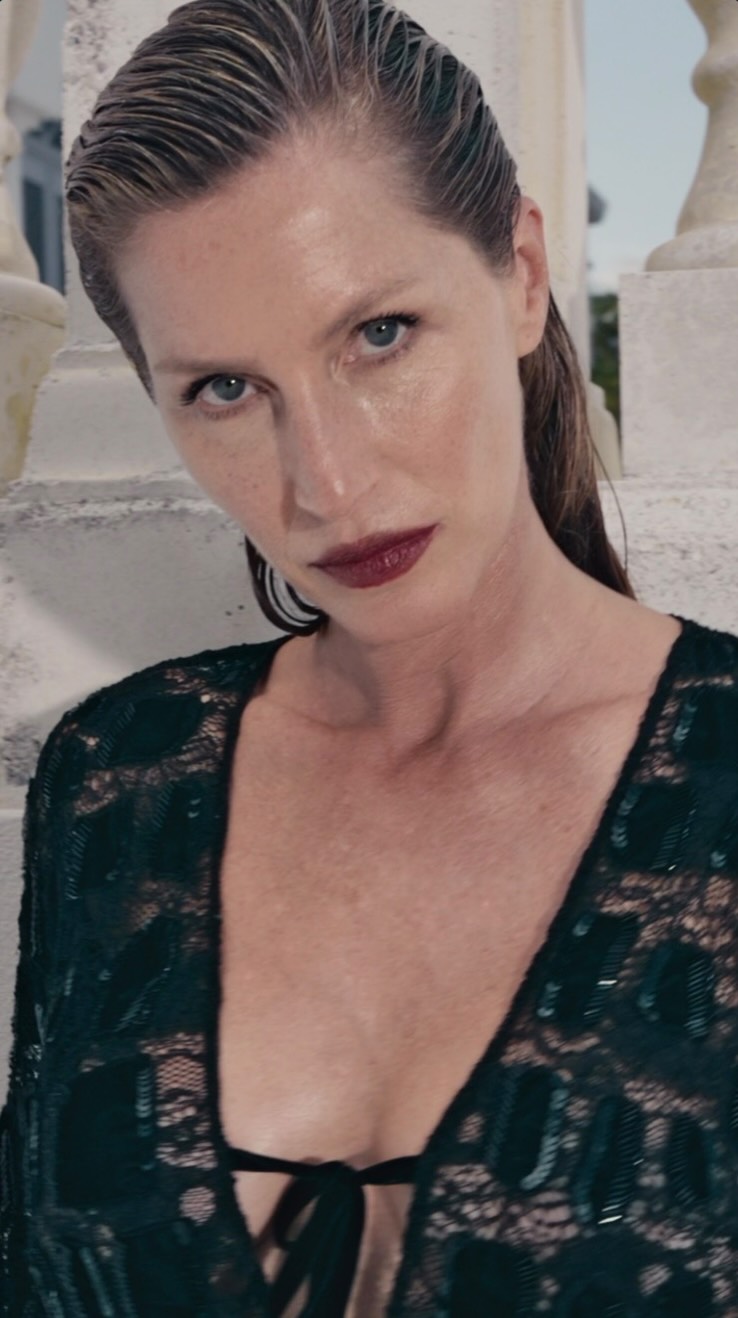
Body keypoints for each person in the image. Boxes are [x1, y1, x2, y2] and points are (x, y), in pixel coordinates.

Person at [2, 0, 737, 1313]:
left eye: (379, 334)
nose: (326, 487)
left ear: (521, 274)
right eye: (225, 390)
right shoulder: (115, 777)